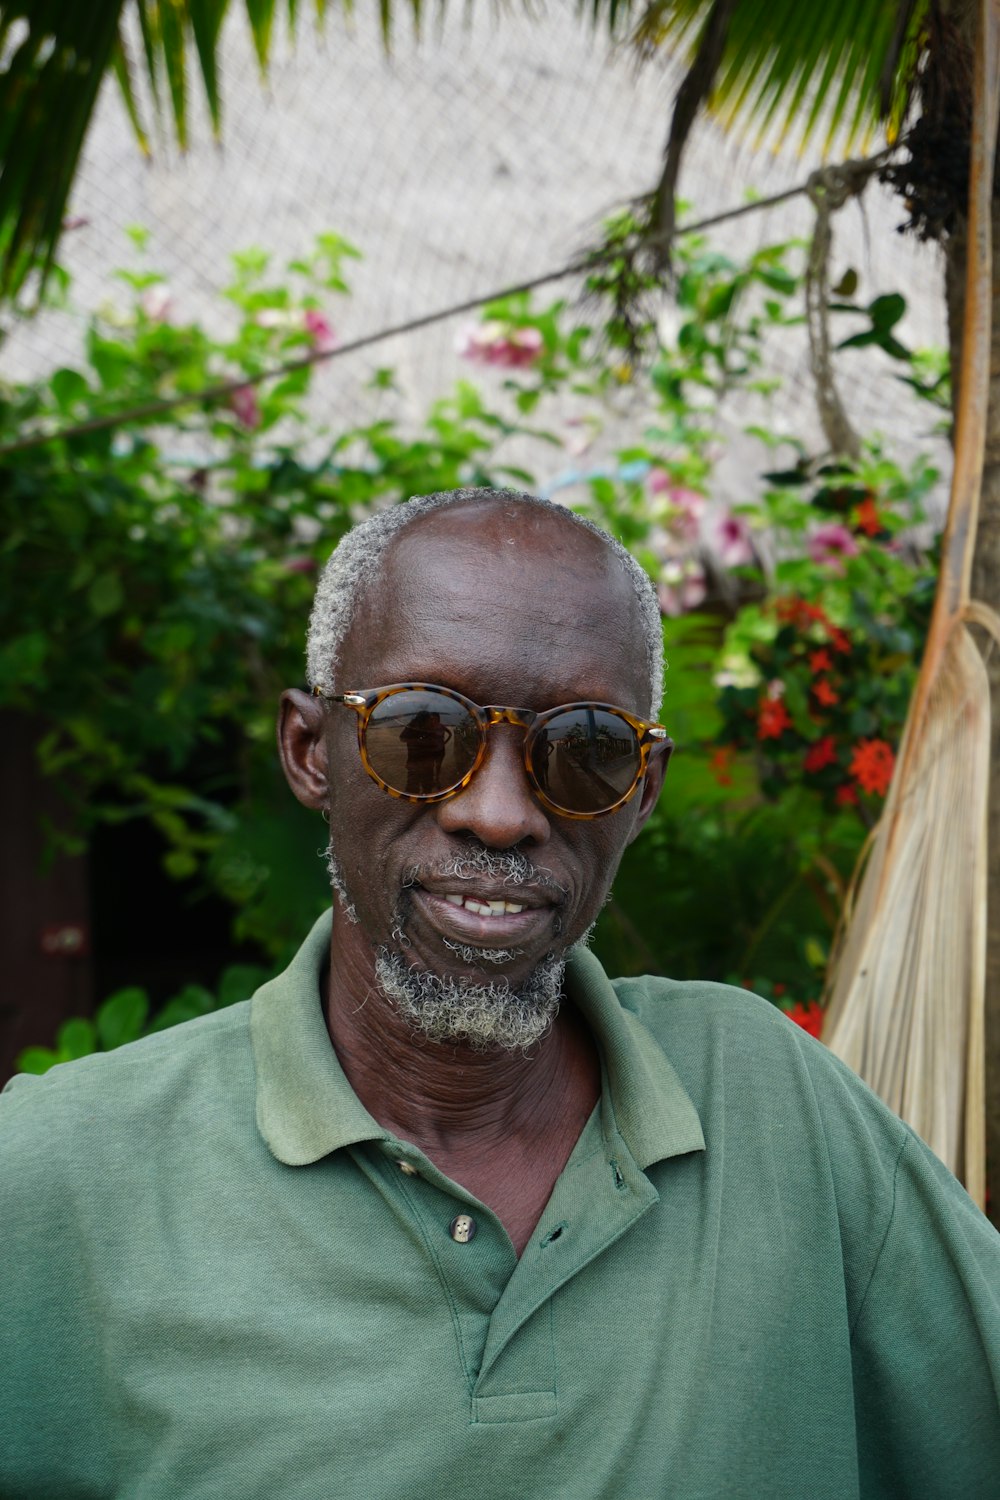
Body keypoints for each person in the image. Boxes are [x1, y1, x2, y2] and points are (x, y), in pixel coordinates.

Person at [2, 486, 999, 1500]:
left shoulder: (772, 1104)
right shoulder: (57, 1179)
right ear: (311, 752)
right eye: (423, 734)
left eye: (585, 749)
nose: (498, 812)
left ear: (643, 791)